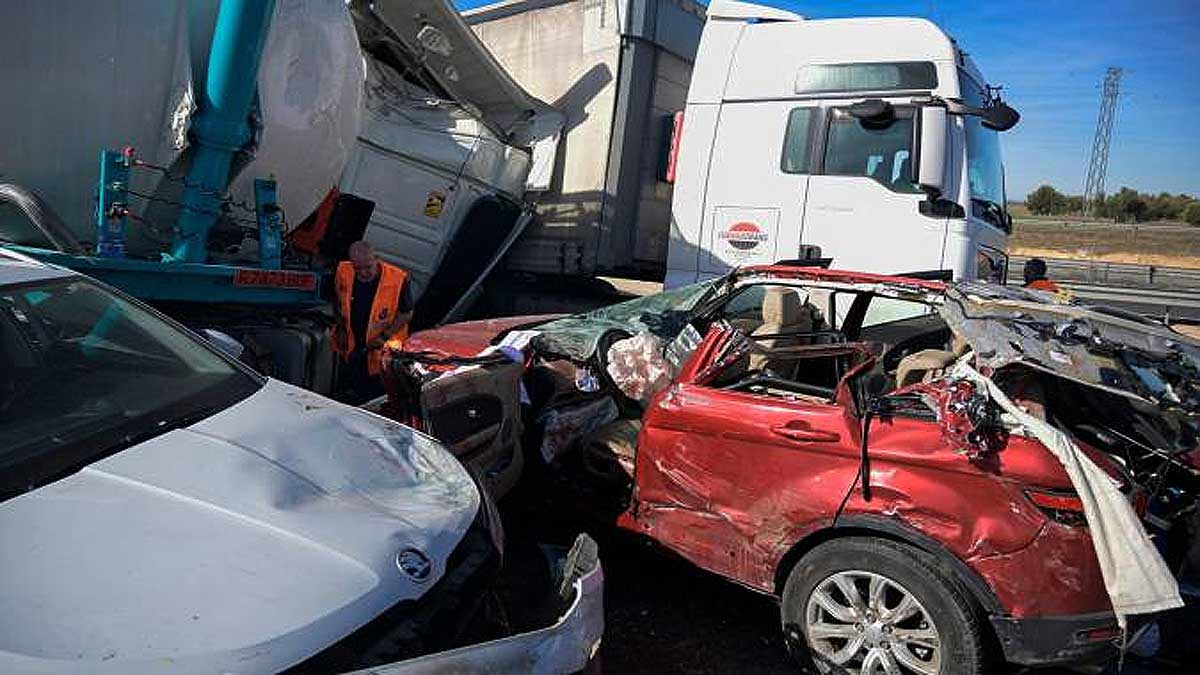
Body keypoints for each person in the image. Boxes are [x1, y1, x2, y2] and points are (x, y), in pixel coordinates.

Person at [332, 241, 412, 402]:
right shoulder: (343, 271)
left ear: (377, 259)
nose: (363, 273)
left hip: (381, 352)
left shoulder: (397, 279)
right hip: (353, 347)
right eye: (357, 268)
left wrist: (384, 336)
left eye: (368, 267)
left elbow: (406, 313)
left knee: (376, 397)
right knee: (348, 390)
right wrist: (340, 328)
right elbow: (338, 301)